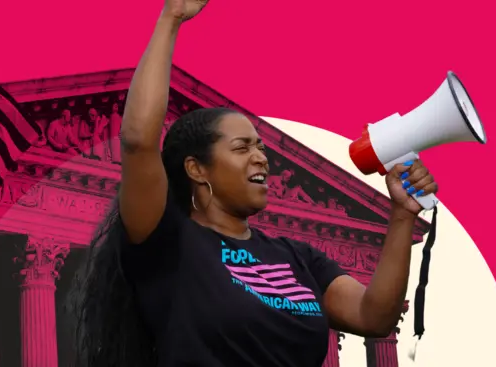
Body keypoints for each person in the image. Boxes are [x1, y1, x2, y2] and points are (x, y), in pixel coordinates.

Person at [71, 1, 438, 366]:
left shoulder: (297, 257)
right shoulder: (167, 243)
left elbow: (373, 317)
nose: (261, 157)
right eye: (242, 147)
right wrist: (172, 18)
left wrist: (402, 214)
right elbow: (137, 139)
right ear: (197, 169)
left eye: (260, 147)